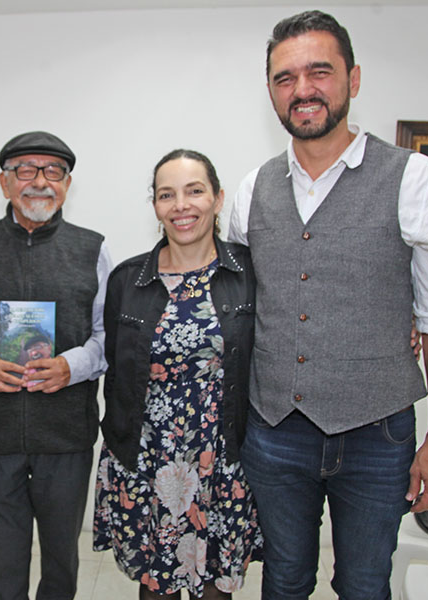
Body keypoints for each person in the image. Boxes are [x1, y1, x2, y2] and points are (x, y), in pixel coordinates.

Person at [228, 10, 428, 599]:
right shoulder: (250, 190)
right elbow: (237, 307)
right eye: (285, 78)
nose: (303, 89)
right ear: (270, 90)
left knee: (365, 585)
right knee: (284, 580)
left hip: (378, 434)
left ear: (353, 79)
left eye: (320, 71)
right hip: (273, 431)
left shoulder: (413, 176)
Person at [0, 131, 112, 600]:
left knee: (60, 562)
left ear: (67, 184)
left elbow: (108, 334)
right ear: (5, 181)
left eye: (53, 171)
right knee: (2, 562)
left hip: (66, 437)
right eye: (26, 170)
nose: (40, 182)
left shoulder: (92, 249)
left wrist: (72, 367)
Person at [94, 150, 262, 600]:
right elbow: (114, 365)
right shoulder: (127, 280)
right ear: (154, 206)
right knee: (157, 589)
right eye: (166, 195)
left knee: (216, 589)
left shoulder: (250, 273)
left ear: (217, 198)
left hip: (223, 459)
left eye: (194, 191)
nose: (180, 206)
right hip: (149, 460)